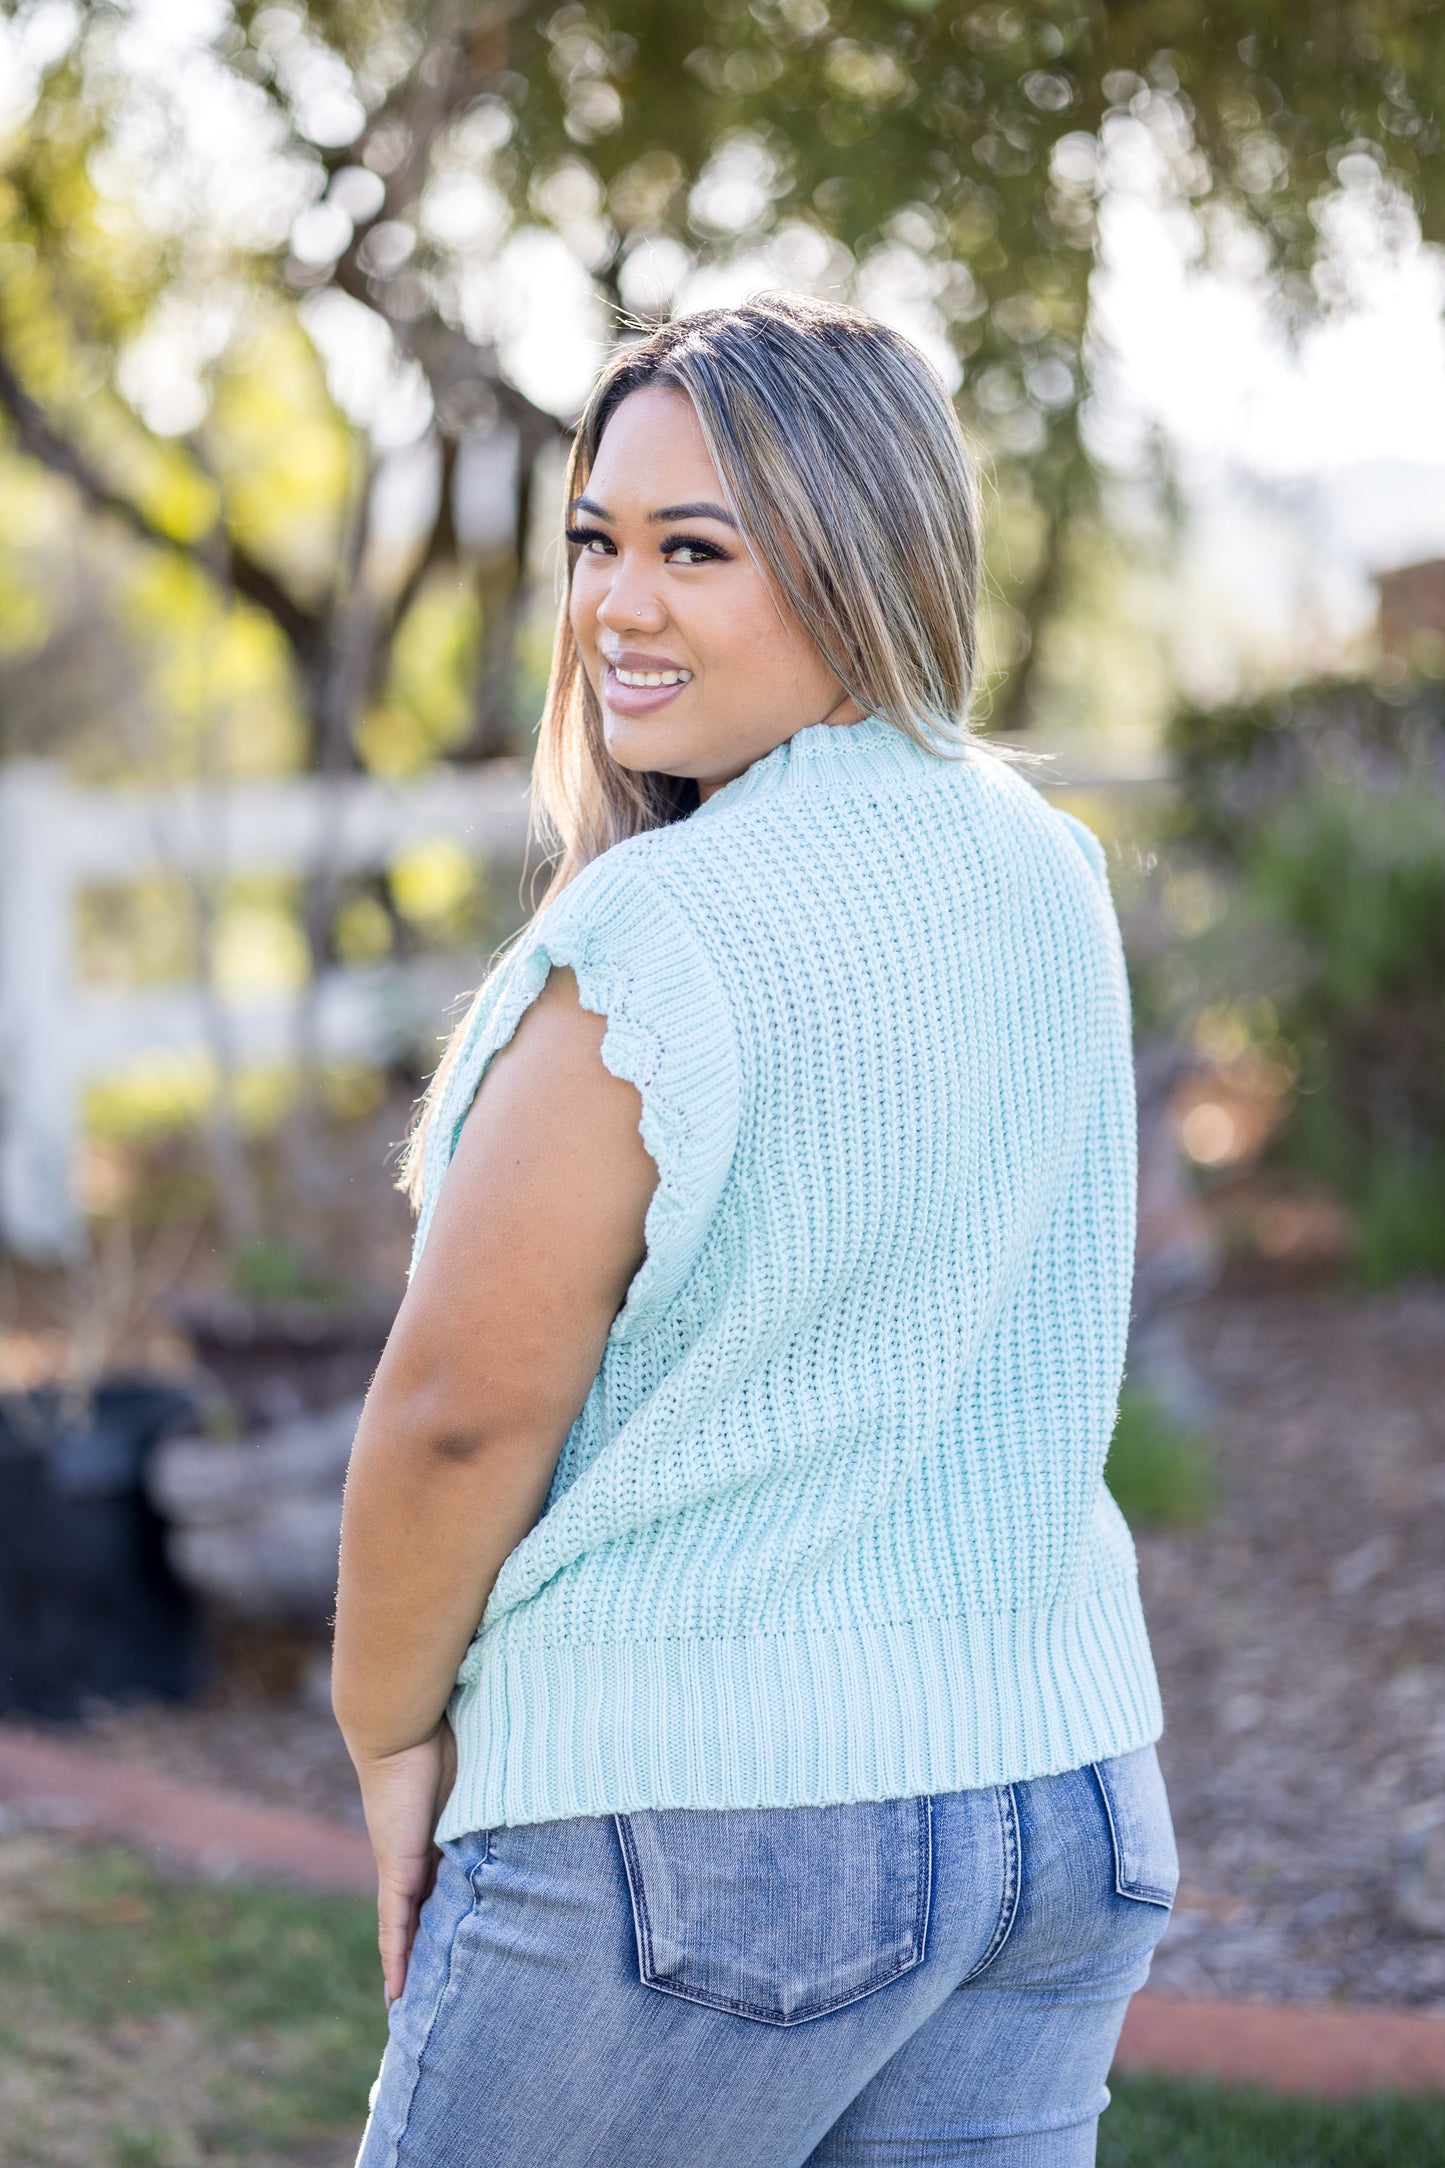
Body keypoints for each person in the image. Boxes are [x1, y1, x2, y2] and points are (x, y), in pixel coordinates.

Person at [335, 293, 1175, 2168]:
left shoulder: (663, 934)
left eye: (692, 551)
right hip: (1060, 1815)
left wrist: (388, 1730)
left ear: (856, 552)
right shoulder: (1046, 872)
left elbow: (460, 1413)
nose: (619, 608)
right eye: (596, 544)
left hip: (703, 1835)